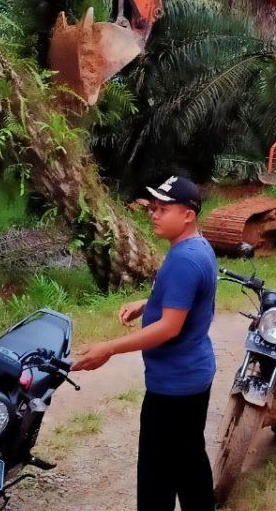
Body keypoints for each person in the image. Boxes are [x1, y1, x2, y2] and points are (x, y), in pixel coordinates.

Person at [72, 176, 217, 511]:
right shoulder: (197, 246)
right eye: (153, 208)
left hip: (174, 387)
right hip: (192, 376)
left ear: (188, 215)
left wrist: (108, 347)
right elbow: (189, 300)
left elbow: (169, 327)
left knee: (157, 475)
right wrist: (146, 304)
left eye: (163, 209)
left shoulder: (184, 259)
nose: (154, 214)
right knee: (189, 462)